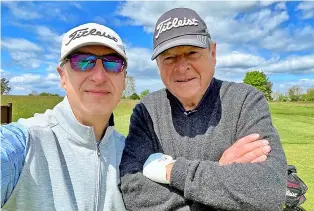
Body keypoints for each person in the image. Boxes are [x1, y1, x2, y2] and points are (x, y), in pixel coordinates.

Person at [119, 7, 287, 211]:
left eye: (192, 52)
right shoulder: (146, 112)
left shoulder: (245, 101)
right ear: (158, 65)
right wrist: (219, 174)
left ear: (213, 53)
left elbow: (270, 189)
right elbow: (134, 192)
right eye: (169, 57)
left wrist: (170, 171)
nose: (181, 67)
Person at [1, 23, 128, 211]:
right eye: (83, 61)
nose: (99, 77)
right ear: (63, 77)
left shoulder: (131, 153)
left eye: (112, 63)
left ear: (124, 78)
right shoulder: (26, 143)